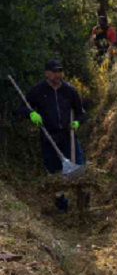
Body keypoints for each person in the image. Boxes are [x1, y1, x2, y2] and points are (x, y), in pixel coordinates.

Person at [16, 59, 87, 212]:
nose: (58, 74)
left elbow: (81, 113)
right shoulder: (38, 91)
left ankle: (84, 200)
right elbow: (21, 108)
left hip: (68, 135)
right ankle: (61, 203)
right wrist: (31, 113)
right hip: (48, 136)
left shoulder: (69, 91)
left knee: (79, 167)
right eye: (54, 72)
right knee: (54, 172)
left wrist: (77, 123)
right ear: (46, 73)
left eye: (60, 71)